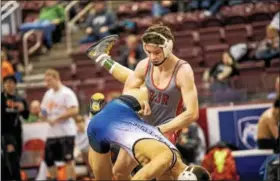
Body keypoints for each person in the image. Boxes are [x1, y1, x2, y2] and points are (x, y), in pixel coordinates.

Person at [86, 24, 199, 180]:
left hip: (166, 128)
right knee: (119, 172)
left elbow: (192, 113)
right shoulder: (144, 65)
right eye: (149, 52)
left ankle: (102, 57)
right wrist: (139, 101)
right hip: (140, 127)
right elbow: (128, 93)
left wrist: (160, 129)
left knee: (164, 173)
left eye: (157, 52)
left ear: (168, 47)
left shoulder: (182, 71)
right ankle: (101, 57)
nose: (152, 57)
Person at [87, 88, 210, 180]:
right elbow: (139, 178)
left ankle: (98, 112)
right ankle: (95, 116)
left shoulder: (172, 158)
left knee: (119, 174)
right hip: (100, 126)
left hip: (122, 107)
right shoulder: (164, 159)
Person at [40, 69, 79, 180]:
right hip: (52, 133)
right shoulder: (48, 94)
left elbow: (74, 110)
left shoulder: (67, 93)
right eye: (46, 81)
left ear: (57, 78)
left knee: (68, 159)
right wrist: (42, 113)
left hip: (66, 132)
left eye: (49, 80)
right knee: (48, 159)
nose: (47, 83)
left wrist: (57, 118)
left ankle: (70, 179)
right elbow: (44, 109)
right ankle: (53, 178)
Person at [1, 75, 29, 180]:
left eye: (11, 82)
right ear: (3, 85)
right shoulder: (1, 98)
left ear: (15, 84)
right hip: (5, 135)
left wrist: (23, 109)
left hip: (17, 133)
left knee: (16, 160)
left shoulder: (20, 98)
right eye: (7, 83)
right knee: (7, 161)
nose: (9, 85)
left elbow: (26, 116)